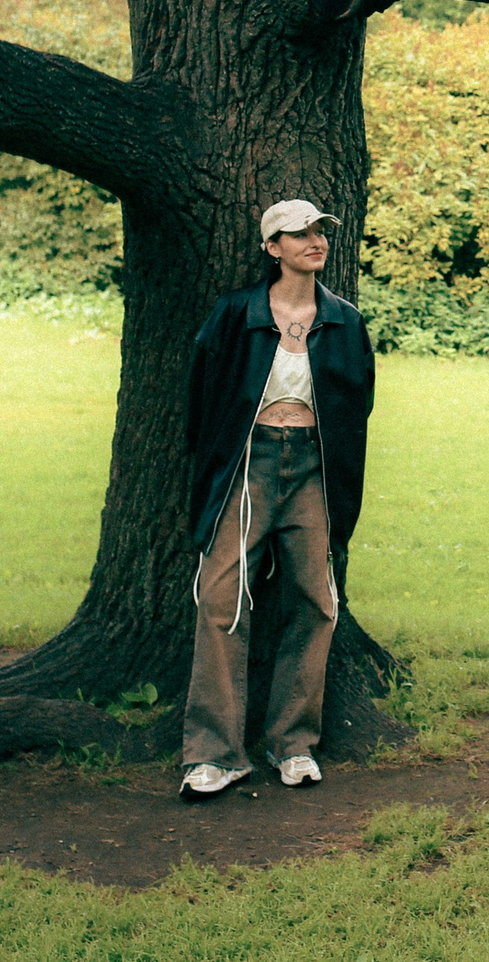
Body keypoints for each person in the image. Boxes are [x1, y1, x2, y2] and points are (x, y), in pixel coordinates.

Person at [176, 198, 376, 798]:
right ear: (273, 248)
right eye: (299, 234)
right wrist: (221, 462)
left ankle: (293, 744)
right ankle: (214, 754)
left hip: (312, 468)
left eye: (319, 231)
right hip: (248, 463)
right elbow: (201, 397)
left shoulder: (344, 321)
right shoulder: (236, 314)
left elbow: (356, 408)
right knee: (221, 599)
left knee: (316, 601)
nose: (315, 241)